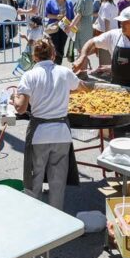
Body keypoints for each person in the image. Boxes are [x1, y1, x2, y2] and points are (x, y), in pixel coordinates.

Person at [12, 37, 88, 209]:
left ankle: (36, 218)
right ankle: (57, 221)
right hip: (62, 134)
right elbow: (81, 87)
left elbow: (21, 108)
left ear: (34, 57)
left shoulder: (29, 76)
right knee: (58, 182)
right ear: (53, 55)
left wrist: (15, 96)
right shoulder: (64, 72)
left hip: (39, 135)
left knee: (34, 181)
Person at [73, 7, 130, 140]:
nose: (121, 24)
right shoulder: (114, 35)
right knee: (117, 135)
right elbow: (92, 42)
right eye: (121, 22)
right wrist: (83, 56)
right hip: (117, 93)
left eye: (125, 22)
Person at [45, 0, 74, 66]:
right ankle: (52, 64)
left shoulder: (69, 2)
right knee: (54, 47)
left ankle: (58, 64)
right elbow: (47, 14)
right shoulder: (50, 2)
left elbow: (72, 16)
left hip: (65, 27)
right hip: (54, 27)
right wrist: (56, 16)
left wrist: (71, 26)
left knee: (61, 47)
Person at [72, 0, 95, 67]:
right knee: (85, 49)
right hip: (88, 25)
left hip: (82, 25)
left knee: (81, 50)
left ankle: (82, 70)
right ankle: (84, 68)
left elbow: (79, 15)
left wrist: (71, 26)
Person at [95, 0, 118, 67]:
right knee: (109, 51)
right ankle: (107, 68)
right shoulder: (113, 5)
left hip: (105, 31)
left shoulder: (105, 5)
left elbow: (107, 20)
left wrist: (106, 35)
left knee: (104, 51)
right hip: (113, 31)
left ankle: (104, 70)